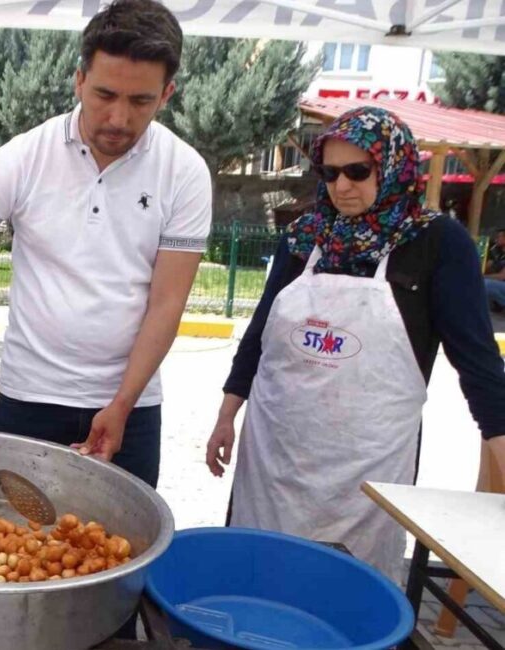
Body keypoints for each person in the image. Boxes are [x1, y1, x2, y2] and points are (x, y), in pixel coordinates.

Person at [0, 0, 211, 489]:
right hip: (29, 398)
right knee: (15, 536)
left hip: (131, 405)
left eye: (140, 101)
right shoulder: (26, 156)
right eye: (104, 94)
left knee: (122, 535)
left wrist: (121, 404)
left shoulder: (185, 172)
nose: (118, 118)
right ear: (79, 80)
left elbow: (166, 305)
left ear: (167, 94)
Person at [206, 106, 505, 583]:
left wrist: (499, 441)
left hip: (368, 462)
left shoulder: (438, 244)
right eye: (329, 173)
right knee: (258, 573)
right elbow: (259, 333)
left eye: (358, 172)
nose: (341, 186)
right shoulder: (305, 237)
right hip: (276, 452)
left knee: (347, 586)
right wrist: (227, 414)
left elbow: (478, 363)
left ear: (392, 167)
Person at [483, 228, 505, 311]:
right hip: (501, 284)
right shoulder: (498, 253)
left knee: (486, 284)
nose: (496, 239)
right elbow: (487, 268)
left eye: (499, 237)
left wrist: (482, 276)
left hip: (501, 282)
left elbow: (501, 276)